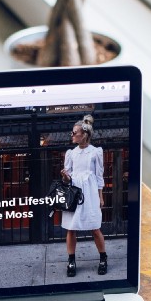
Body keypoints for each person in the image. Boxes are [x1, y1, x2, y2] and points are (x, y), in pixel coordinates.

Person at [60, 115, 107, 277]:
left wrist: (100, 196)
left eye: (74, 133)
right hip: (74, 192)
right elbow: (68, 178)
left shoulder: (95, 152)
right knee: (71, 228)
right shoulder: (71, 153)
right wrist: (66, 177)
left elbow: (99, 176)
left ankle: (103, 258)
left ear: (84, 135)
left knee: (95, 227)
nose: (72, 135)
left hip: (91, 192)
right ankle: (71, 260)